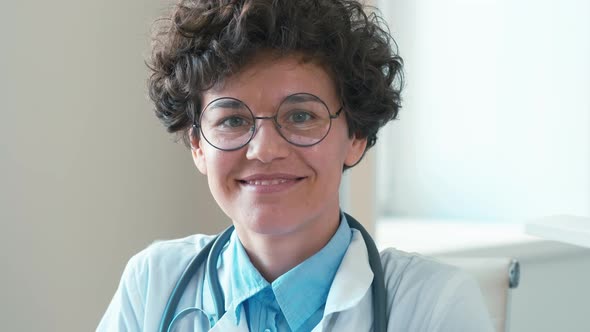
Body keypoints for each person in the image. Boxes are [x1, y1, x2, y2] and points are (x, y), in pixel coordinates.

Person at [98, 0, 493, 331]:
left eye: (301, 116)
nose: (265, 150)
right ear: (198, 144)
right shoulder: (153, 285)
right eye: (233, 119)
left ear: (355, 136)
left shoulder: (433, 307)